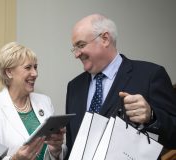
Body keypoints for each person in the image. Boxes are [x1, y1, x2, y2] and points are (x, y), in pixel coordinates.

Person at [65, 13, 176, 158]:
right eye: (75, 48)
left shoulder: (150, 75)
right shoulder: (74, 87)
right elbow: (72, 145)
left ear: (105, 39)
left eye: (81, 45)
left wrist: (152, 117)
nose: (77, 54)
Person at [0, 42, 67, 160]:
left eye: (35, 67)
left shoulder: (45, 101)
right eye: (28, 67)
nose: (35, 73)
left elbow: (57, 153)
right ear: (9, 72)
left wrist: (56, 150)